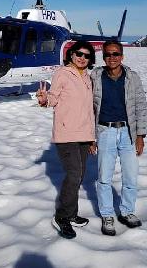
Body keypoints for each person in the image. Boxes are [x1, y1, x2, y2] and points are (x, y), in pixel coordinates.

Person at [37, 40, 96, 239]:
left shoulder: (87, 77)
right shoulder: (62, 73)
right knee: (74, 174)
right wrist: (44, 99)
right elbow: (53, 98)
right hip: (66, 134)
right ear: (71, 54)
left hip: (84, 135)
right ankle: (61, 217)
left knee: (79, 176)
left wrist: (92, 138)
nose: (82, 58)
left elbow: (89, 110)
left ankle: (71, 214)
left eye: (87, 55)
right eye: (79, 53)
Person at [91, 40, 147, 236]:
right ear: (103, 56)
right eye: (108, 54)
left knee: (130, 176)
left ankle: (127, 211)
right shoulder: (95, 76)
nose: (111, 58)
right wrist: (91, 137)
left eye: (115, 54)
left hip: (127, 133)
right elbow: (88, 108)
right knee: (104, 177)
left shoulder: (132, 78)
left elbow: (140, 106)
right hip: (105, 131)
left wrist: (140, 135)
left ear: (122, 56)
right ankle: (107, 214)